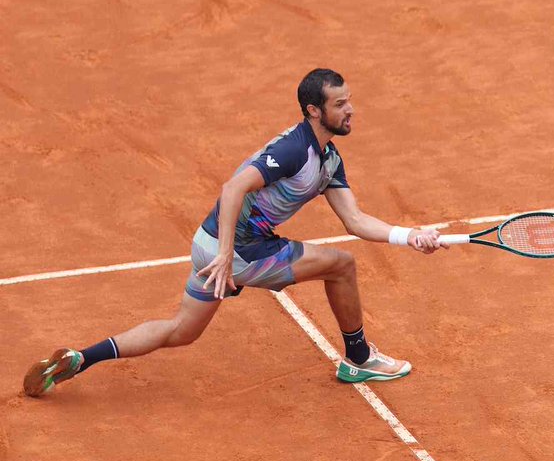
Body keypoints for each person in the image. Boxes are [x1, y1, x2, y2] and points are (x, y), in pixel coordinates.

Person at [23, 68, 445, 396]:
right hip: (238, 252)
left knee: (180, 331)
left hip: (207, 245)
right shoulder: (293, 150)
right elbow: (233, 188)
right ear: (314, 111)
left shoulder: (328, 159)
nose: (350, 109)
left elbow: (354, 220)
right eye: (340, 104)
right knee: (342, 265)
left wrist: (408, 235)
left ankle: (82, 358)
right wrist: (227, 255)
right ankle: (358, 359)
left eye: (349, 100)